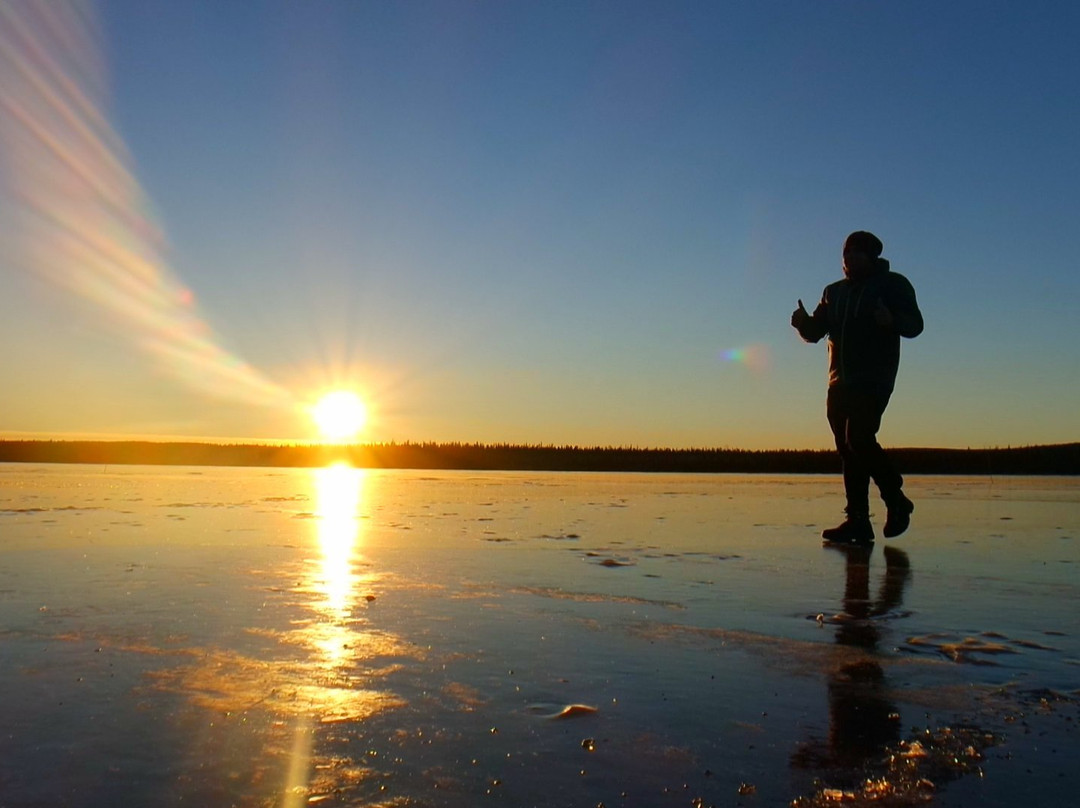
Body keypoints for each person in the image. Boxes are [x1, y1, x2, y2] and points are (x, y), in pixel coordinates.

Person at [791, 231, 923, 544]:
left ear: (871, 257)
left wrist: (891, 320)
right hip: (838, 380)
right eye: (846, 254)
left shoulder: (892, 285)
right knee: (847, 449)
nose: (849, 259)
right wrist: (802, 323)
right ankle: (858, 521)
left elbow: (915, 324)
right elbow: (816, 332)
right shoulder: (833, 292)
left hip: (874, 378)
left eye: (856, 254)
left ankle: (896, 499)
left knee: (859, 439)